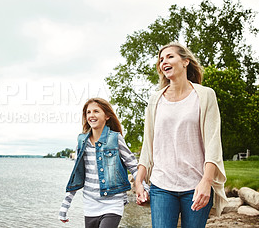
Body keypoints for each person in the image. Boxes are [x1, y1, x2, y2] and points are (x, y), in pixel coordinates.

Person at [134, 42, 228, 228]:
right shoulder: (155, 100)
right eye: (161, 60)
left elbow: (213, 144)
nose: (164, 62)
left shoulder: (205, 95)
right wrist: (138, 181)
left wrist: (206, 182)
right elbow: (148, 145)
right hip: (161, 186)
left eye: (170, 57)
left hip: (196, 185)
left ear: (185, 62)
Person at [59, 97, 149, 228]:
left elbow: (133, 166)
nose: (91, 115)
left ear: (107, 116)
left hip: (113, 203)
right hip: (90, 204)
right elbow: (77, 174)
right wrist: (65, 205)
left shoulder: (115, 138)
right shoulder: (82, 141)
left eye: (96, 111)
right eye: (88, 112)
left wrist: (143, 187)